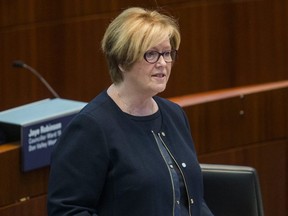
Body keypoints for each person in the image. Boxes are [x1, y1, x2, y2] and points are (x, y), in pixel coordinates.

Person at [47, 7, 214, 216]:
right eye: (151, 54)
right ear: (122, 61)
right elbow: (67, 211)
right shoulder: (91, 127)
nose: (163, 63)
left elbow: (192, 200)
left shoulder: (174, 114)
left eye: (167, 53)